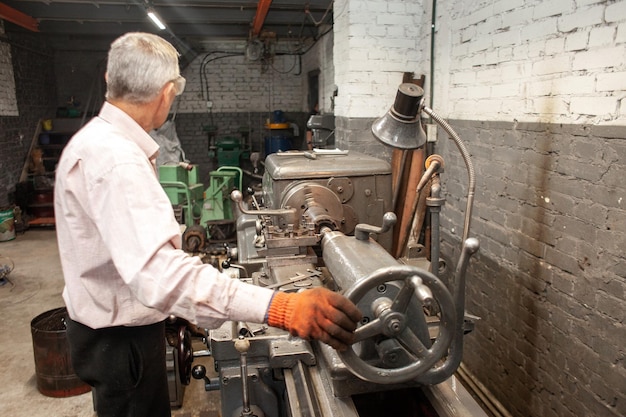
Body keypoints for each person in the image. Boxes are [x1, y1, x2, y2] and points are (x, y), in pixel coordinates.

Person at [54, 32, 362, 417]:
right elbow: (162, 276)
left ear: (109, 81)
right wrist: (282, 308)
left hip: (108, 334)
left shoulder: (94, 143)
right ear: (167, 93)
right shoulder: (116, 160)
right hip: (122, 342)